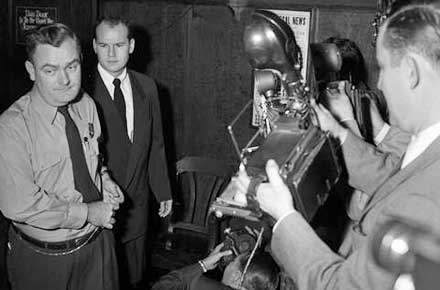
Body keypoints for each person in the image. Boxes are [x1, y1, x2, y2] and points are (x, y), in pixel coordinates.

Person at [233, 3, 440, 289]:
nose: (379, 83)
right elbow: (389, 175)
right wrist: (339, 132)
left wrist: (284, 216)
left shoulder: (425, 201)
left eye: (384, 69)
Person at [0, 23, 124, 290]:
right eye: (50, 70)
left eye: (71, 66)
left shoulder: (86, 105)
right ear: (31, 71)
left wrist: (106, 180)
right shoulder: (11, 127)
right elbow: (18, 204)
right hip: (45, 259)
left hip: (98, 243)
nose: (65, 80)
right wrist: (88, 212)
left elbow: (95, 158)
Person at [85, 17, 173, 289]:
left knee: (134, 276)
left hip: (138, 202)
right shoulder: (81, 90)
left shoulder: (147, 87)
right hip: (98, 203)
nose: (112, 53)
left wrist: (163, 190)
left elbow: (156, 144)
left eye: (119, 45)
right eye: (104, 45)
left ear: (131, 46)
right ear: (94, 47)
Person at [151, 243, 280, 290]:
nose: (229, 264)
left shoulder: (202, 285)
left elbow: (162, 286)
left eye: (233, 262)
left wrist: (203, 265)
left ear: (236, 277)